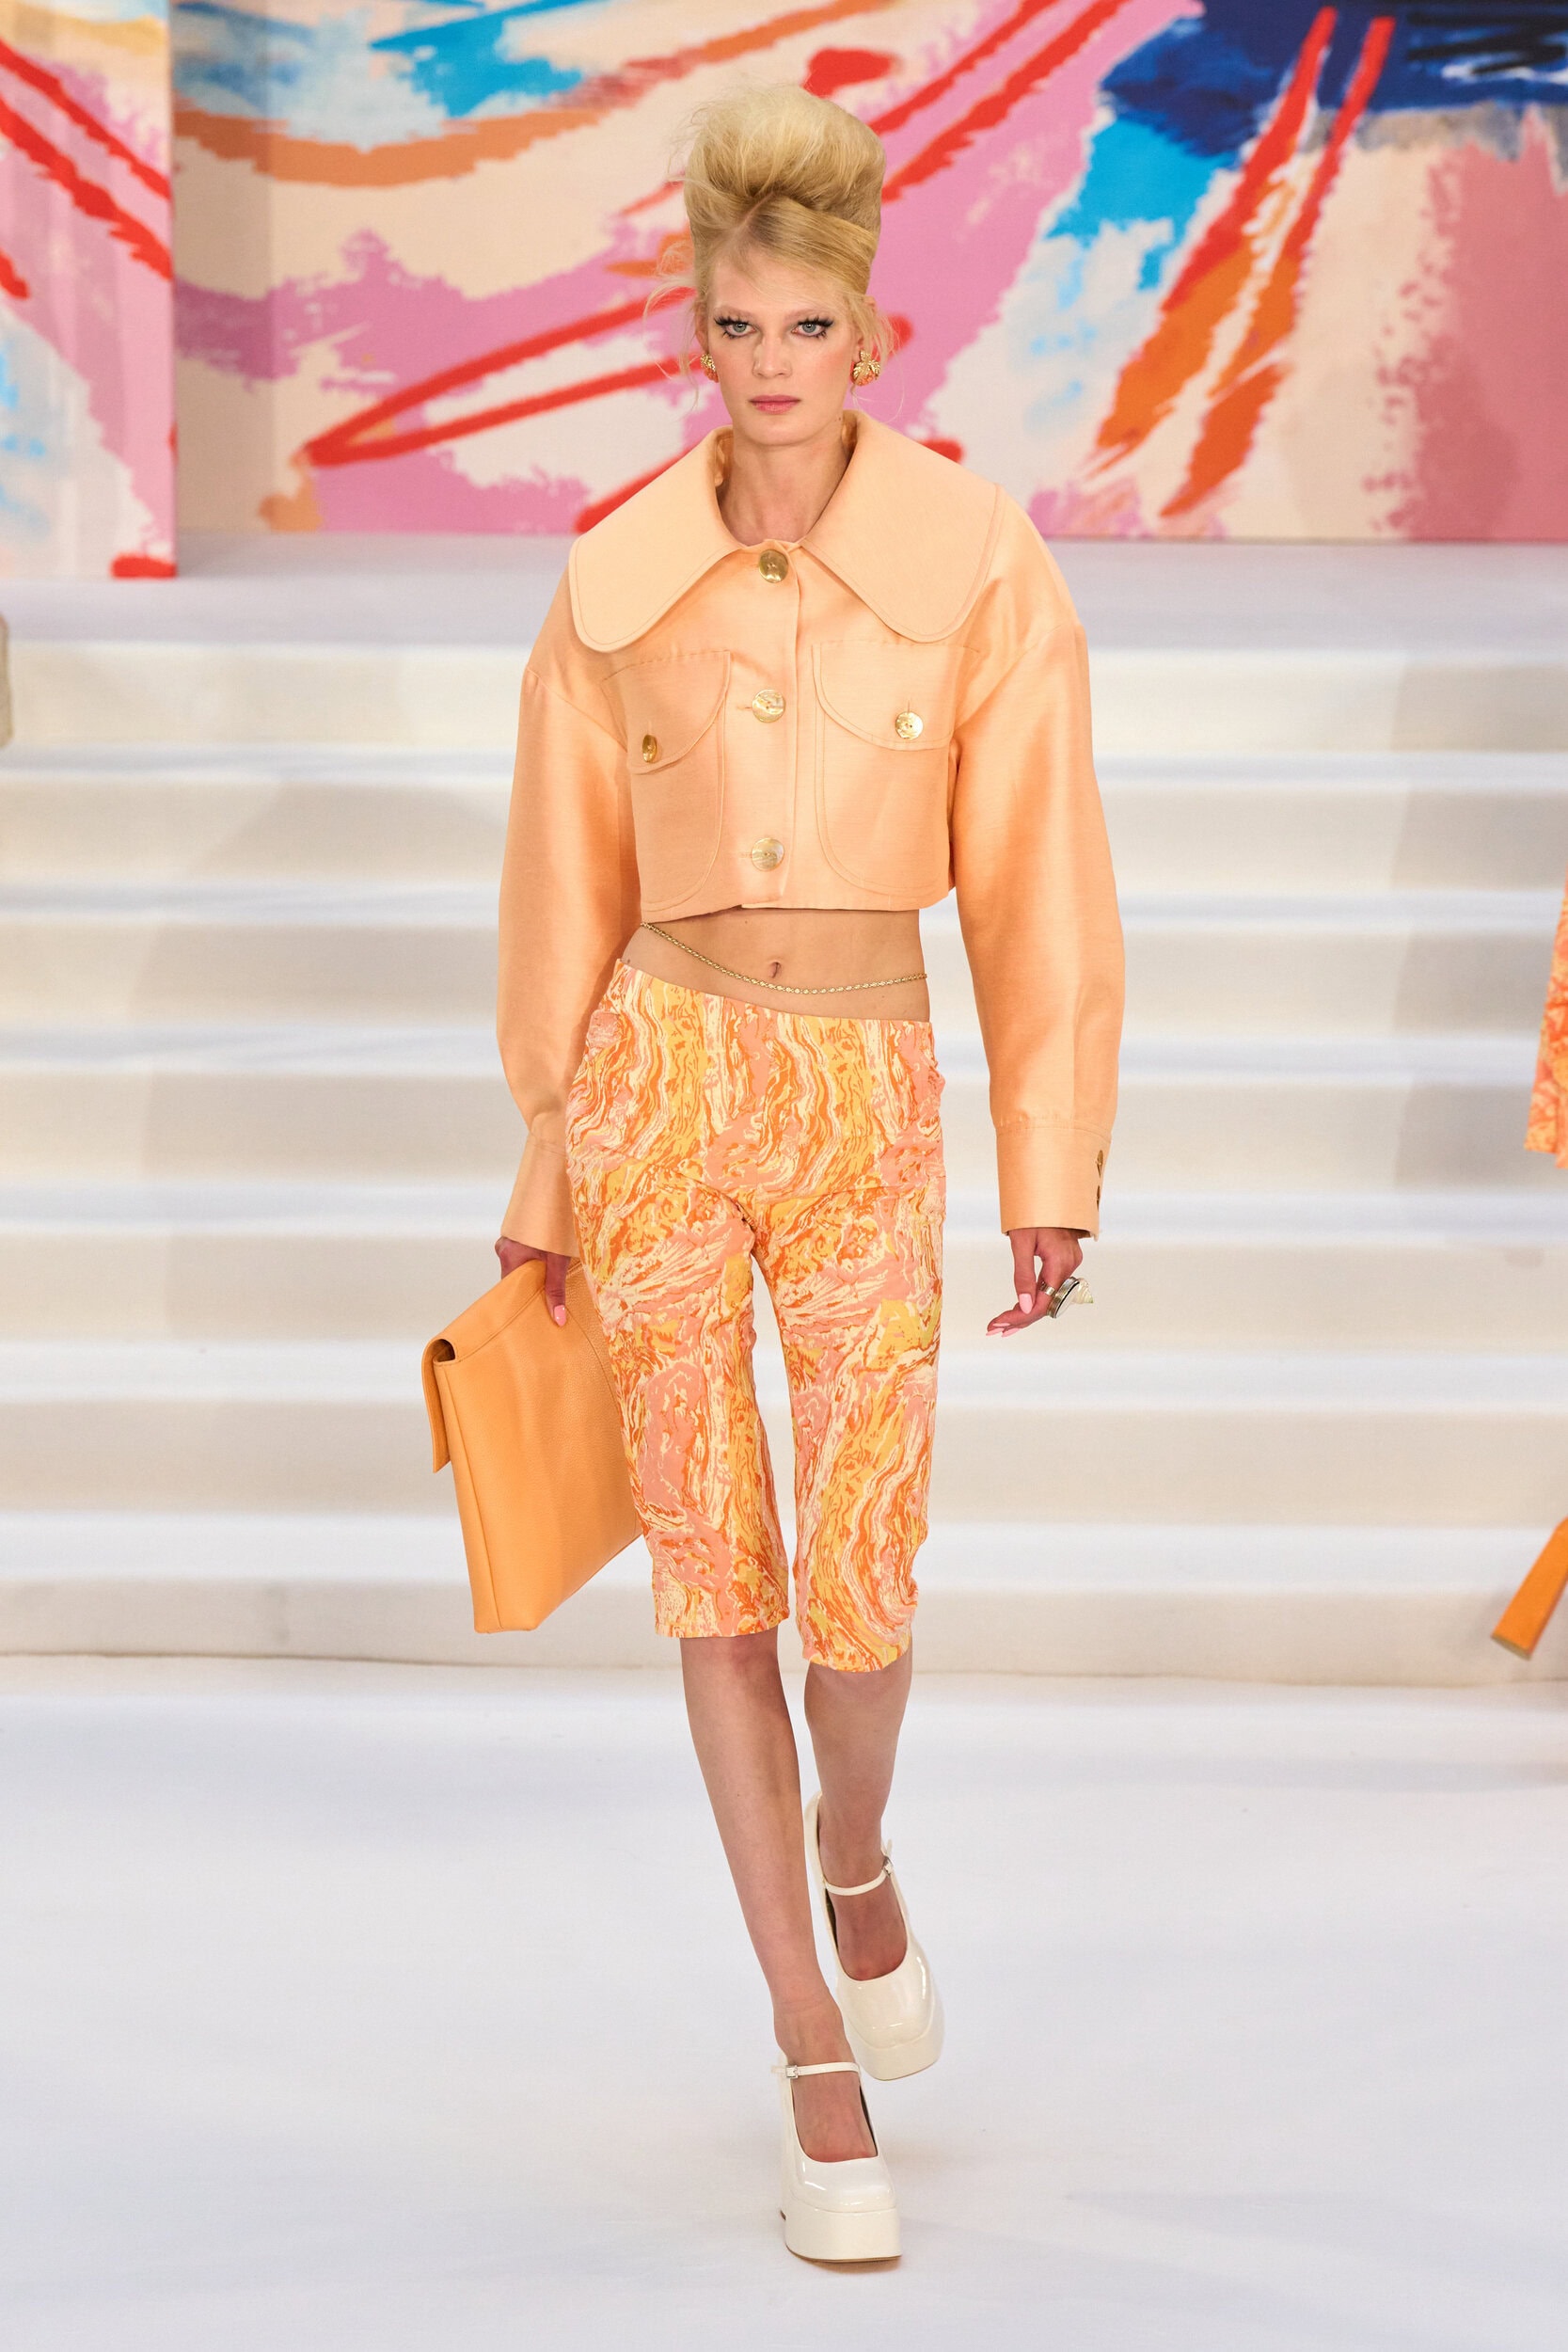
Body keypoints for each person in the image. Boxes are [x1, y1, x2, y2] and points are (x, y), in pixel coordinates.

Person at [494, 83, 1122, 2261]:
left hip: (865, 1088)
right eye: (739, 326)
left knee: (864, 1582)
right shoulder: (616, 579)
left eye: (809, 327)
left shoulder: (977, 568)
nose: (771, 364)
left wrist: (1052, 1154)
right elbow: (561, 890)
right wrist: (549, 1163)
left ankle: (858, 1852)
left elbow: (1041, 875)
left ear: (877, 333)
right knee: (717, 1575)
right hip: (658, 1084)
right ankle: (805, 2043)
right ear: (699, 332)